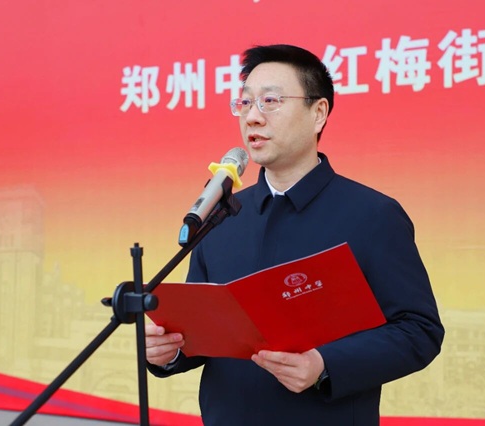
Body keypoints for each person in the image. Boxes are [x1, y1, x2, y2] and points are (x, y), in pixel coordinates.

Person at [145, 44, 444, 426]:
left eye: (270, 101)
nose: (253, 117)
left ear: (318, 113)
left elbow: (419, 330)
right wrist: (168, 351)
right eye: (245, 103)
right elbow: (206, 334)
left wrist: (324, 364)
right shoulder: (222, 216)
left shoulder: (373, 215)